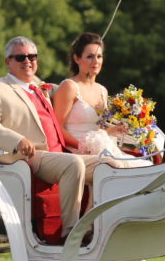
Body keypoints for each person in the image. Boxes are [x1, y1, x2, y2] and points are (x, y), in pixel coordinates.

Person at [0, 36, 86, 240]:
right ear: (7, 62)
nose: (27, 61)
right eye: (20, 57)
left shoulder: (42, 87)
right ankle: (72, 232)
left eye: (32, 56)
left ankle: (96, 225)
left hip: (58, 154)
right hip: (29, 157)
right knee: (74, 164)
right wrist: (16, 140)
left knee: (107, 164)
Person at [52, 32, 151, 189]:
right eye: (90, 56)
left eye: (99, 56)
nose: (95, 61)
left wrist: (114, 130)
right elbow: (57, 127)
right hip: (76, 151)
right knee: (114, 167)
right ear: (77, 58)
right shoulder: (69, 87)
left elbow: (98, 128)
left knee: (145, 166)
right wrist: (82, 146)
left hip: (101, 146)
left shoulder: (102, 90)